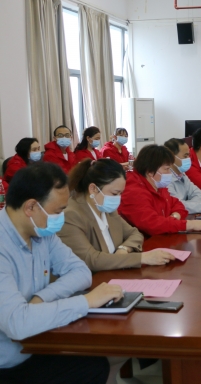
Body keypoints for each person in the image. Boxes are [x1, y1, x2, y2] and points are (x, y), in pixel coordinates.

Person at [0, 162, 124, 384]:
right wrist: (86, 302)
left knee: (99, 359)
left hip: (38, 340)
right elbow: (16, 324)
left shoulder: (41, 231)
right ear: (30, 207)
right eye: (58, 211)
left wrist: (41, 298)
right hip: (9, 361)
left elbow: (80, 272)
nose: (62, 217)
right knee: (91, 367)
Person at [58, 158, 177, 271]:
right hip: (91, 283)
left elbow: (134, 233)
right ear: (93, 189)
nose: (118, 199)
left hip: (114, 274)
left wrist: (123, 249)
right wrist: (143, 258)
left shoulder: (106, 208)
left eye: (121, 193)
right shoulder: (71, 215)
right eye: (115, 193)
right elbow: (92, 260)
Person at [118, 145, 201, 236]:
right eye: (167, 169)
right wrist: (189, 224)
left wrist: (174, 216)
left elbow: (178, 204)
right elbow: (152, 224)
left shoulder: (157, 184)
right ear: (150, 172)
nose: (170, 173)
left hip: (161, 237)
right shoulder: (133, 192)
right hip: (144, 246)